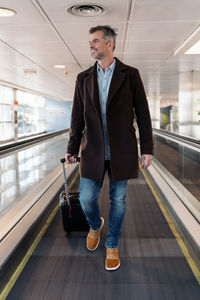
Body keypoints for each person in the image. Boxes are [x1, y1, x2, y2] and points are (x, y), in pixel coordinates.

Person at [65, 25, 153, 271]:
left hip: (121, 151)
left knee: (118, 200)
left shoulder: (130, 74)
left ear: (109, 44)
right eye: (90, 41)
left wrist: (147, 148)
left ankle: (112, 244)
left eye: (95, 41)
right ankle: (95, 225)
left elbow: (143, 114)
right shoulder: (83, 78)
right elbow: (76, 117)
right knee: (86, 198)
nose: (90, 45)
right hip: (92, 150)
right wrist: (72, 147)